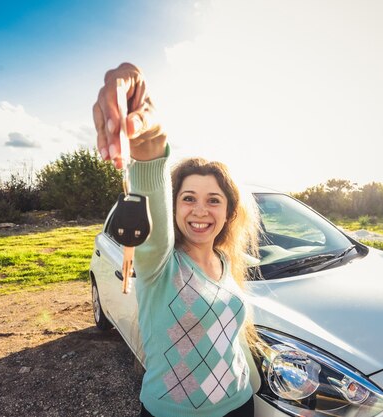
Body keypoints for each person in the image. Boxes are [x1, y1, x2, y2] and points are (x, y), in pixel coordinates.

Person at [93, 63, 260, 417]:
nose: (201, 210)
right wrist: (149, 147)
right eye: (188, 198)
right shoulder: (159, 264)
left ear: (229, 212)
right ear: (173, 207)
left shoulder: (226, 261)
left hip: (240, 403)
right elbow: (151, 190)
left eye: (213, 200)